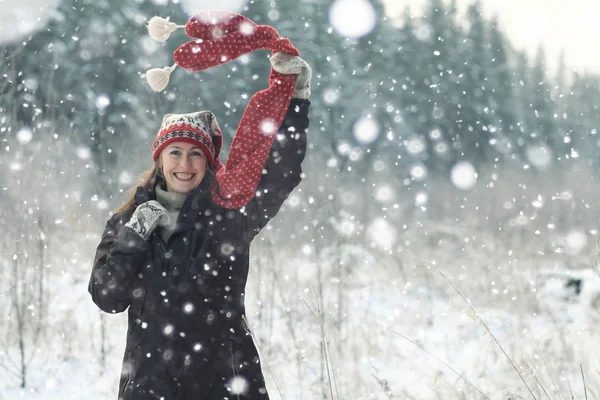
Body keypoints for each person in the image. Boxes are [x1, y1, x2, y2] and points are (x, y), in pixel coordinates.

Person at [88, 12, 311, 400]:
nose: (184, 164)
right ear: (160, 159)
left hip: (226, 383)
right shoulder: (128, 221)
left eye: (196, 154)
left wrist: (294, 102)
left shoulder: (230, 213)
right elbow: (108, 297)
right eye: (174, 152)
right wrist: (134, 237)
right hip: (149, 386)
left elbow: (281, 173)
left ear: (208, 162)